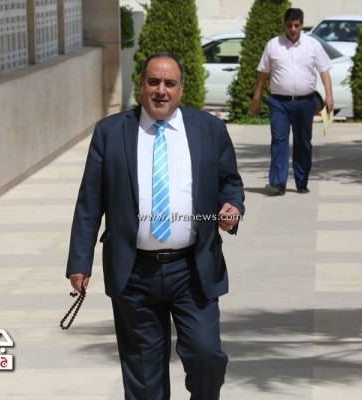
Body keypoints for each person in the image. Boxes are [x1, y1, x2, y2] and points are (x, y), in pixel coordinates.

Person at [66, 52, 245, 400]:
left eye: (169, 83)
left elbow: (230, 182)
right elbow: (90, 202)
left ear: (181, 89)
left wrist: (232, 206)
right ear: (141, 84)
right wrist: (79, 263)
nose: (161, 90)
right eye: (153, 82)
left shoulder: (209, 130)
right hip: (134, 273)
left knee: (206, 356)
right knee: (145, 380)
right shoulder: (110, 132)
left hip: (193, 269)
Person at [250, 8, 334, 196]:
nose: (293, 29)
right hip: (279, 102)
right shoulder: (273, 45)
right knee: (279, 140)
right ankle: (277, 183)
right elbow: (263, 74)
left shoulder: (312, 45)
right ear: (284, 25)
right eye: (289, 26)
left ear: (302, 25)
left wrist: (329, 96)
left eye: (296, 25)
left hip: (305, 102)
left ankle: (301, 181)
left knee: (303, 141)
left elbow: (324, 72)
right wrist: (256, 98)